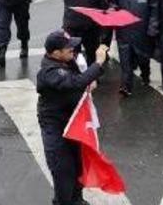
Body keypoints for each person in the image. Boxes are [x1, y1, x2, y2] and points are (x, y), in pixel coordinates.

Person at [37, 31, 109, 205]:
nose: (72, 49)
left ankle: (77, 200)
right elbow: (74, 83)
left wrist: (89, 83)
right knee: (63, 172)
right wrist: (98, 62)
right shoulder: (49, 71)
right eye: (67, 48)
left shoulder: (67, 60)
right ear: (55, 53)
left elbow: (80, 80)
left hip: (73, 123)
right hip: (57, 128)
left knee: (78, 166)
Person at [108, 0, 159, 96]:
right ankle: (126, 86)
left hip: (142, 33)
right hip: (123, 32)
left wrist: (152, 27)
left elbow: (154, 8)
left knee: (143, 59)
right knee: (126, 63)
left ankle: (145, 74)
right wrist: (112, 8)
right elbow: (111, 2)